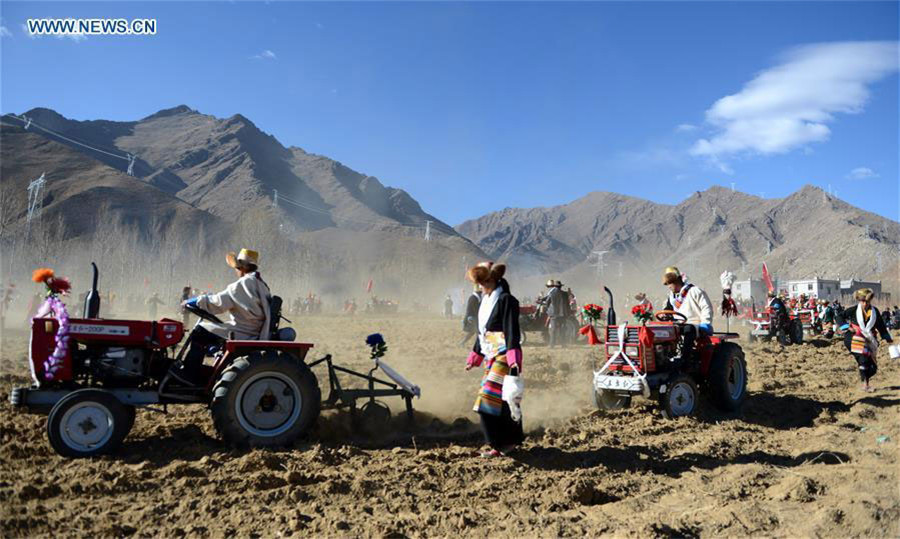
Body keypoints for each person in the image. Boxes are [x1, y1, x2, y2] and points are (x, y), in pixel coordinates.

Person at [174, 249, 272, 385]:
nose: (236, 271)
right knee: (213, 329)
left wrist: (194, 301)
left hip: (243, 332)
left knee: (200, 331)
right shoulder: (260, 284)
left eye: (237, 267)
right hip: (252, 329)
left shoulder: (242, 285)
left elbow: (217, 303)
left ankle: (189, 374)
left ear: (242, 267)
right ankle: (209, 362)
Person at [465, 262, 524, 458]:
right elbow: (483, 332)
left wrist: (514, 358)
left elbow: (511, 330)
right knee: (503, 400)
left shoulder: (507, 300)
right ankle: (510, 442)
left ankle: (497, 444)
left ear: (492, 280)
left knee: (487, 401)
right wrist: (476, 355)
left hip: (504, 355)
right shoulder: (486, 300)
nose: (480, 286)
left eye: (482, 282)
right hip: (491, 355)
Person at [841, 289, 892, 392]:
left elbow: (881, 326)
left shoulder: (875, 312)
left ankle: (866, 382)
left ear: (870, 300)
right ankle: (865, 385)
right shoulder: (853, 310)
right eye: (862, 301)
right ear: (859, 301)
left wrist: (887, 338)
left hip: (869, 339)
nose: (864, 304)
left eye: (866, 301)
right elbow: (839, 316)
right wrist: (847, 326)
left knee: (872, 367)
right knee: (863, 359)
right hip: (853, 337)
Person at [661, 266, 713, 363]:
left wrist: (705, 324)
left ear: (678, 280)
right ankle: (666, 358)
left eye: (670, 283)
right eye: (667, 284)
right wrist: (665, 316)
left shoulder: (694, 291)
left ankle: (685, 361)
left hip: (695, 325)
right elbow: (668, 310)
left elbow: (706, 307)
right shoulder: (671, 297)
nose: (669, 286)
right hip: (678, 325)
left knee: (688, 329)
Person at [542, 279, 569, 347]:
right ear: (560, 287)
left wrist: (549, 310)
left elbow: (547, 303)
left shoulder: (551, 294)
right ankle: (563, 344)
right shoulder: (565, 294)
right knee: (562, 329)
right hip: (562, 314)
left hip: (554, 314)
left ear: (555, 286)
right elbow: (567, 304)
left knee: (553, 330)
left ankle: (552, 344)